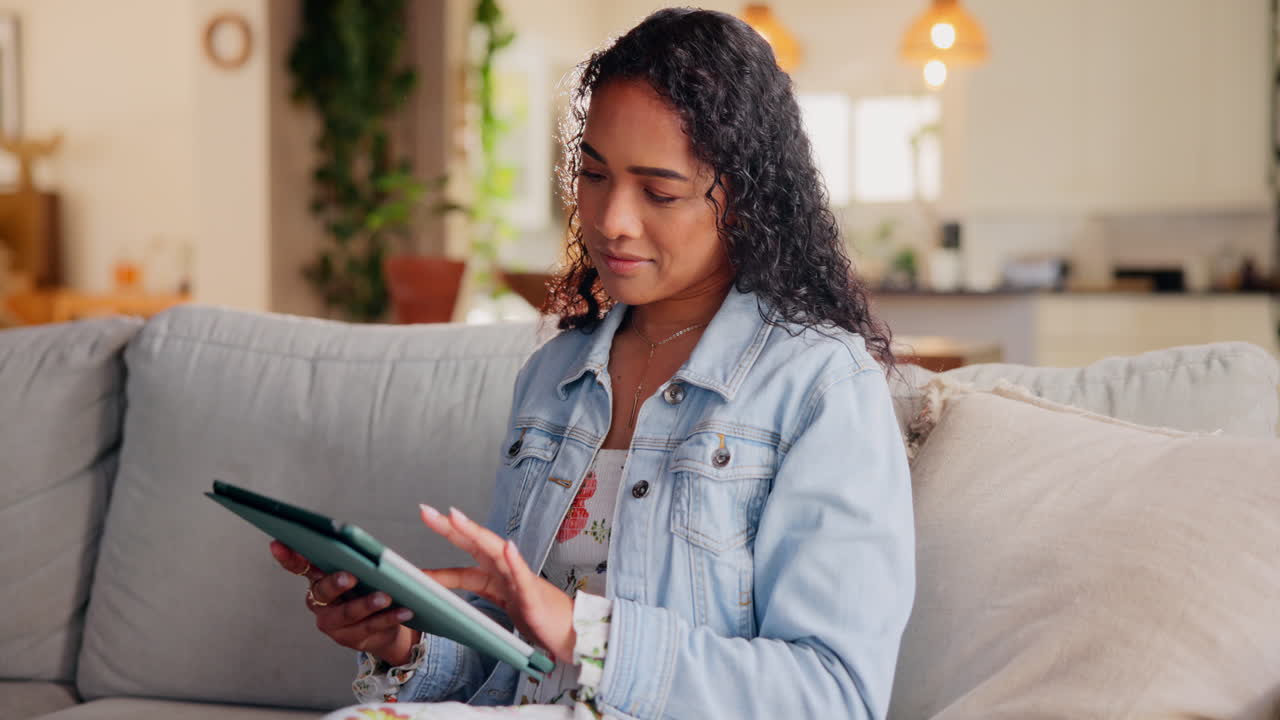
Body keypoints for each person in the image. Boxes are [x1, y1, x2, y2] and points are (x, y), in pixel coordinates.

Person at [272, 8, 915, 719]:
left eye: (659, 192)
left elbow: (834, 696)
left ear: (743, 200)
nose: (612, 220)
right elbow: (521, 660)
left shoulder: (820, 386)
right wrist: (403, 644)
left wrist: (593, 634)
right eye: (595, 175)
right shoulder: (558, 376)